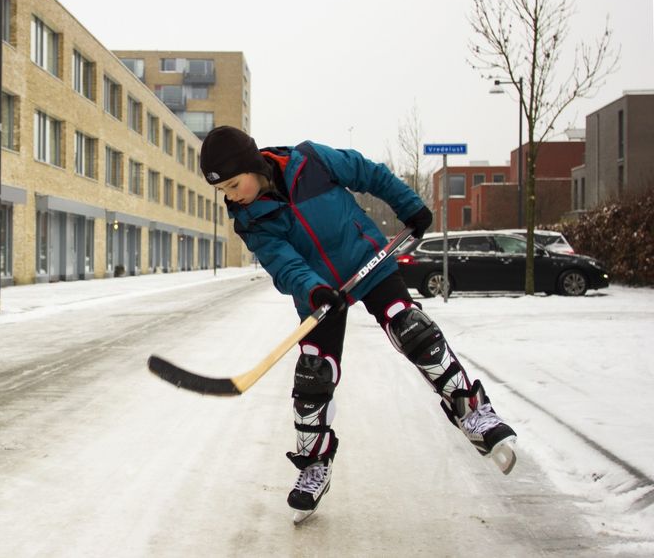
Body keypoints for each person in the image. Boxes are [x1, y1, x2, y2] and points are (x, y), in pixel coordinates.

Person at [198, 125, 517, 520]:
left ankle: (471, 410)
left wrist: (408, 204)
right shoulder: (250, 218)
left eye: (233, 184)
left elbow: (370, 174)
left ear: (252, 165)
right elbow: (283, 262)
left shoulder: (311, 161)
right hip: (320, 294)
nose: (231, 195)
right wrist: (313, 290)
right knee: (313, 376)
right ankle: (315, 464)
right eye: (223, 191)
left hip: (370, 264)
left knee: (411, 328)